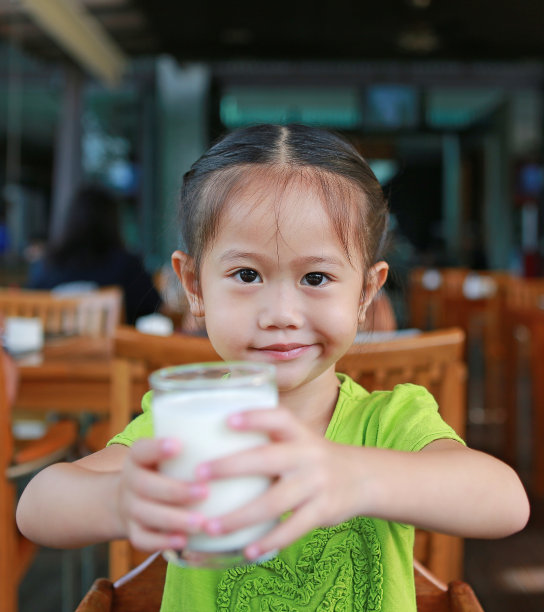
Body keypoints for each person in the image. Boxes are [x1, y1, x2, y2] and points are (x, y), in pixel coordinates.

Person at [16, 124, 529, 611]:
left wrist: (360, 478)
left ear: (366, 293)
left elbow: (505, 501)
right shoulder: (188, 424)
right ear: (194, 287)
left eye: (316, 277)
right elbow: (37, 506)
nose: (281, 314)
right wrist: (121, 499)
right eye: (246, 274)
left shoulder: (390, 421)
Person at [26, 184, 162, 325]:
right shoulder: (127, 265)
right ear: (113, 221)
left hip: (51, 347)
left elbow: (27, 313)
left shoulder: (44, 266)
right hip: (113, 347)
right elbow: (153, 308)